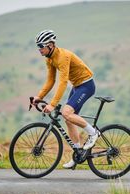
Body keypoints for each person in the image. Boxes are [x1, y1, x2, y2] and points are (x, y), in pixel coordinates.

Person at [32, 29, 99, 169]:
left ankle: (93, 133)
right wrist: (39, 97)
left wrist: (52, 104)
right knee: (68, 119)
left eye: (41, 46)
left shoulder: (62, 57)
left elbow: (62, 83)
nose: (39, 49)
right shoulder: (49, 59)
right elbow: (51, 81)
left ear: (50, 45)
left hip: (86, 85)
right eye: (37, 46)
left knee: (66, 113)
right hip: (77, 86)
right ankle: (78, 153)